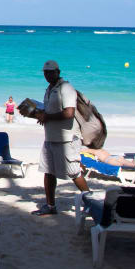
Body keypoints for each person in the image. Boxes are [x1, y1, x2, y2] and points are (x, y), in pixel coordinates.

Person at [29, 60, 88, 215]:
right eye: (45, 72)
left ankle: (91, 201)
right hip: (50, 138)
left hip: (67, 139)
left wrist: (47, 117)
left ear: (58, 71)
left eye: (50, 72)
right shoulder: (49, 89)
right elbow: (48, 112)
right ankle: (50, 206)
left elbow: (69, 113)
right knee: (48, 172)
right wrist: (34, 113)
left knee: (74, 172)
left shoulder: (66, 88)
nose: (48, 75)